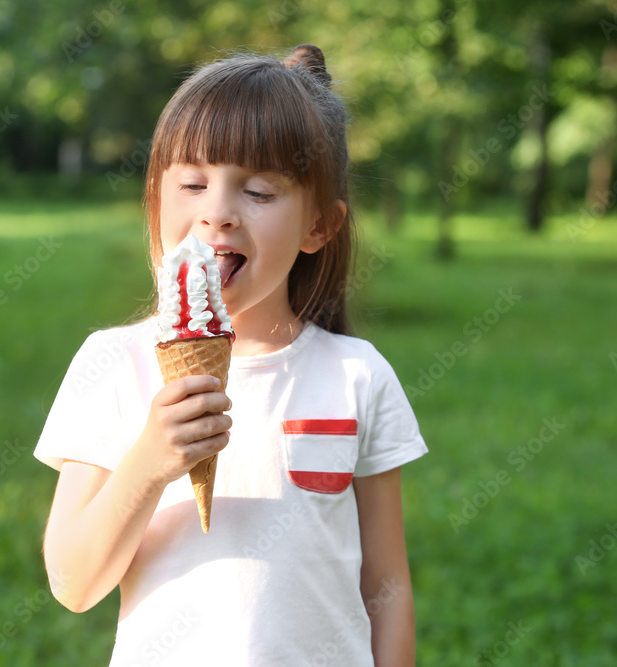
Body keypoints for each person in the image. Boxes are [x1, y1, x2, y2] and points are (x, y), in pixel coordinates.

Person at [34, 44, 428, 666]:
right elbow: (74, 584)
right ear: (158, 201)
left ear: (319, 228)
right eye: (192, 183)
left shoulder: (357, 375)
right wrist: (149, 463)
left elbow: (387, 586)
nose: (217, 213)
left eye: (260, 192)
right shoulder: (113, 363)